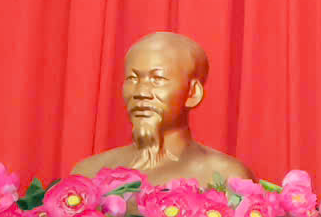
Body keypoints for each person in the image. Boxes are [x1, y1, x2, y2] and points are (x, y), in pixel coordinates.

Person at [70, 31, 254, 186]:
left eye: (157, 79)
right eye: (133, 79)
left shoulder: (225, 177)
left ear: (192, 93)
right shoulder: (88, 173)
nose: (141, 92)